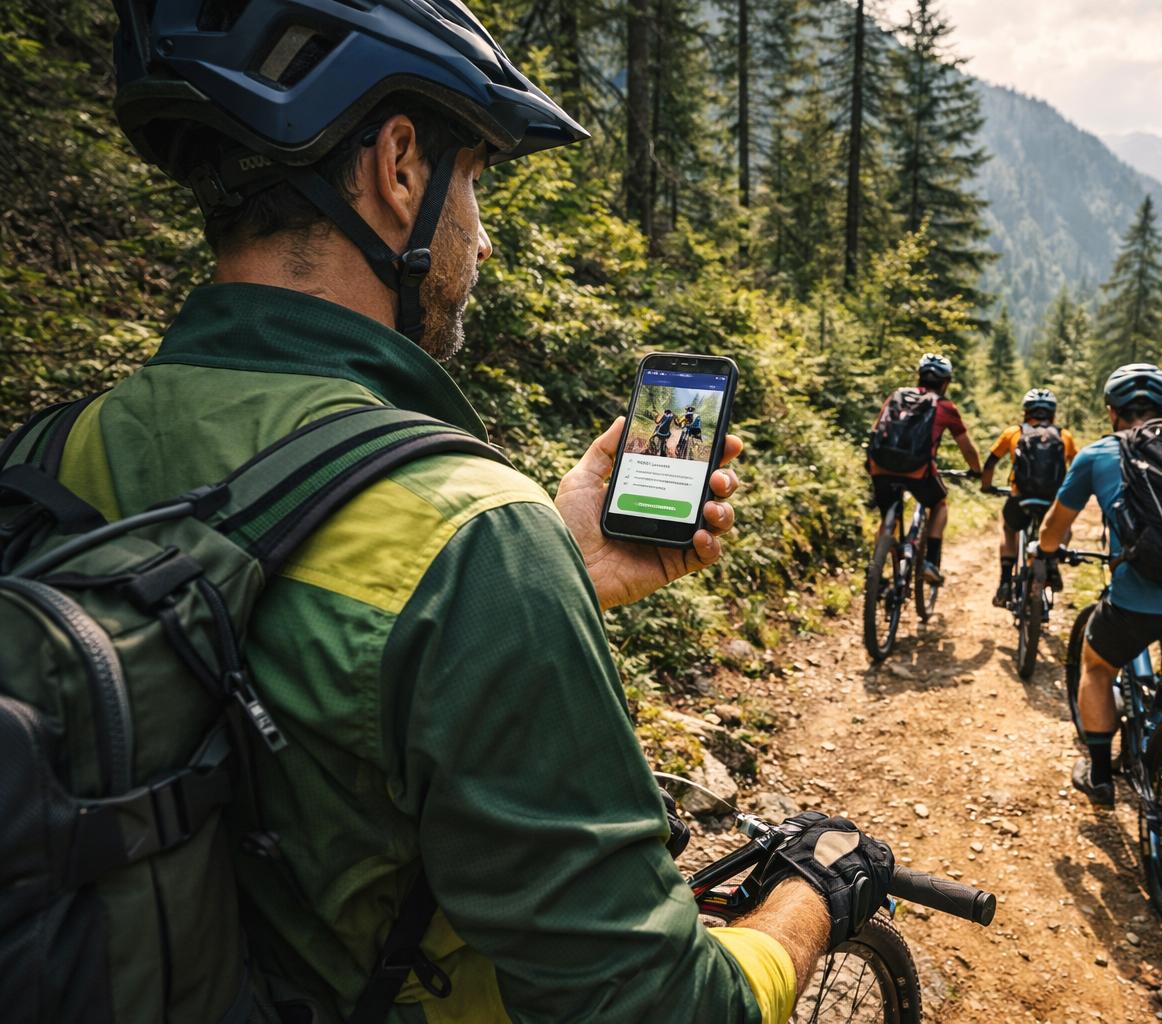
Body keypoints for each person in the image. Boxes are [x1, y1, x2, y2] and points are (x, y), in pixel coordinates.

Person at [76, 1, 894, 1020]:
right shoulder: (466, 540)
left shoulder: (55, 451)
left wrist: (560, 567)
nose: (487, 241)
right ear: (402, 165)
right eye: (475, 182)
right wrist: (809, 901)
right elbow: (664, 1007)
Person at [1032, 364, 1162, 805]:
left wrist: (1043, 552)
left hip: (1136, 602)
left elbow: (1053, 528)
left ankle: (1100, 773)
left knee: (1097, 665)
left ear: (1112, 413)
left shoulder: (1097, 455)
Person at [867, 353, 983, 584]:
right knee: (939, 504)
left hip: (880, 468)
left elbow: (875, 431)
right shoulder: (945, 407)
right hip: (918, 472)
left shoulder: (897, 395)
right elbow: (967, 449)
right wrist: (976, 471)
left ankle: (876, 570)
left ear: (919, 377)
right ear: (945, 382)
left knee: (889, 514)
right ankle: (930, 562)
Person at [980, 387, 1077, 607]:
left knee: (1008, 528)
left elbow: (990, 463)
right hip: (1051, 500)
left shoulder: (1014, 433)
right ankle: (1052, 560)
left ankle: (1005, 581)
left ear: (1026, 412)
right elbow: (1076, 468)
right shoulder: (1064, 435)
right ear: (1052, 413)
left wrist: (986, 487)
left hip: (1020, 498)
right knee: (1063, 526)